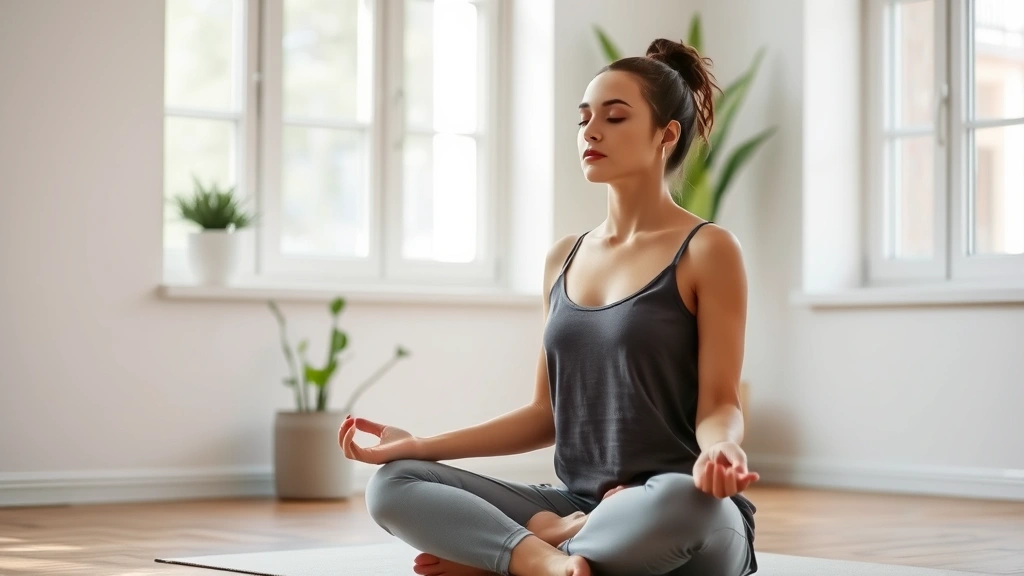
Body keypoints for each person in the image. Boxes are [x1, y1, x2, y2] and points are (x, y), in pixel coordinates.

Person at [338, 37, 760, 576]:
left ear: (666, 134)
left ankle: (512, 553)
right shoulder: (565, 257)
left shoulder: (708, 249)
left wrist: (721, 449)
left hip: (676, 506)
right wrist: (421, 444)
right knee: (393, 484)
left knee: (686, 506)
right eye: (584, 118)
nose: (591, 131)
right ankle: (546, 555)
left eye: (614, 116)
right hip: (579, 504)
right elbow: (547, 414)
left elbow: (719, 401)